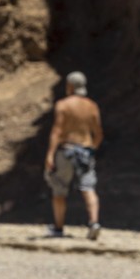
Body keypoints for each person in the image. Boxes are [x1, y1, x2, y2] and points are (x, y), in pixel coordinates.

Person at [44, 71, 104, 240]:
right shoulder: (92, 106)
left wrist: (50, 154)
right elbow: (98, 133)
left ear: (69, 86)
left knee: (59, 189)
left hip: (66, 151)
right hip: (85, 151)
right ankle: (94, 223)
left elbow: (57, 131)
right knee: (88, 187)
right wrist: (92, 149)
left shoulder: (63, 105)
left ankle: (58, 227)